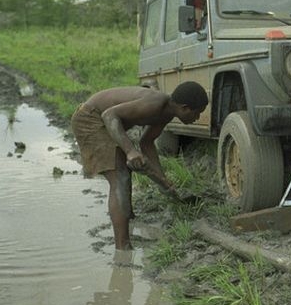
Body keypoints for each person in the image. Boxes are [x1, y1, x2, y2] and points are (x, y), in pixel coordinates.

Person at [71, 82, 209, 250]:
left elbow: (147, 143)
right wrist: (130, 151)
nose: (197, 119)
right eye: (197, 113)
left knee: (123, 173)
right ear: (185, 108)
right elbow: (109, 115)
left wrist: (163, 181)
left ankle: (125, 219)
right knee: (119, 178)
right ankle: (122, 247)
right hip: (90, 118)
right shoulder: (156, 103)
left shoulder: (166, 113)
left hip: (103, 120)